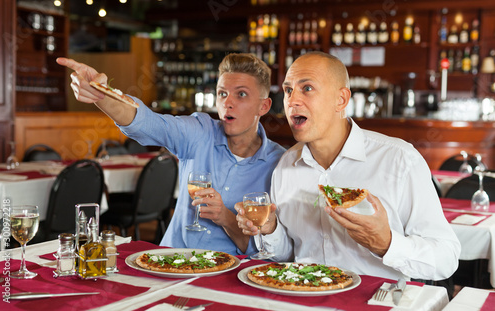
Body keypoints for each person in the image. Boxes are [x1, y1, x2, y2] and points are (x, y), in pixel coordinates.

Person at [236, 51, 461, 281]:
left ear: (341, 99)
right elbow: (289, 254)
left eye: (307, 88)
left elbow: (446, 258)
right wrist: (271, 228)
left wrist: (387, 244)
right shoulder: (286, 166)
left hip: (377, 303)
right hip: (305, 298)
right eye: (288, 90)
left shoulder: (400, 160)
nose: (292, 100)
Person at [57, 53, 285, 256]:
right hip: (169, 262)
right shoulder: (200, 131)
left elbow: (262, 249)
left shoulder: (280, 164)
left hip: (228, 276)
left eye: (241, 94)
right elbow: (148, 124)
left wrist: (224, 216)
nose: (228, 103)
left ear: (263, 107)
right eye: (222, 93)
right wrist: (101, 95)